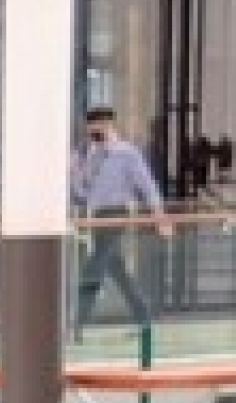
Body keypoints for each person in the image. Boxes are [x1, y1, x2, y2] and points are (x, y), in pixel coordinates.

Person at [70, 105, 171, 339]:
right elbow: (82, 193)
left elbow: (146, 184)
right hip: (95, 215)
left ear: (109, 125)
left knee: (93, 268)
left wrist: (160, 215)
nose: (95, 129)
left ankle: (77, 326)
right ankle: (144, 320)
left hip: (117, 213)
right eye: (91, 125)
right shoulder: (87, 154)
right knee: (118, 271)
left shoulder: (126, 153)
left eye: (100, 124)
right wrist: (74, 173)